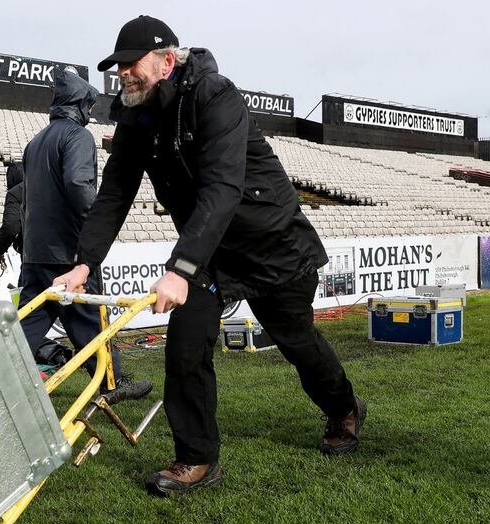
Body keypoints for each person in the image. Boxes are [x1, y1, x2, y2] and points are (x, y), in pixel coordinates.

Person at [54, 15, 365, 497]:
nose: (123, 76)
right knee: (185, 345)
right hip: (209, 254)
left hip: (270, 244)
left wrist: (178, 268)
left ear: (167, 61)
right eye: (117, 69)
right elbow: (114, 192)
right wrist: (83, 263)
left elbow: (222, 188)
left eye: (131, 65)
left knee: (296, 342)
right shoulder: (136, 114)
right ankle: (196, 458)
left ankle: (344, 407)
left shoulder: (216, 96)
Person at [19, 68, 152, 405]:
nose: (90, 113)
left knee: (28, 323)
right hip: (67, 249)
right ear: (79, 104)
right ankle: (112, 383)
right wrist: (96, 229)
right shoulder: (77, 137)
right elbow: (79, 185)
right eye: (88, 106)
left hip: (35, 249)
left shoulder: (36, 141)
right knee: (91, 316)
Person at [0, 162, 25, 267]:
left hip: (36, 256)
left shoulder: (16, 192)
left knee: (26, 283)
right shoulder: (49, 186)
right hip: (68, 252)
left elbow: (11, 227)